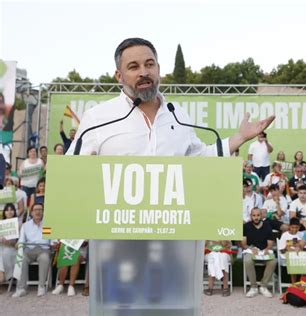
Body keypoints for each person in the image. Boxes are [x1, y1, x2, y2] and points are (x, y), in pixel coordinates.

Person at [66, 37, 275, 306]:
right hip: (117, 247)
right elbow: (73, 172)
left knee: (170, 308)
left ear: (159, 69)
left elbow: (201, 158)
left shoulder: (178, 115)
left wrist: (237, 139)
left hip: (173, 245)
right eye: (133, 66)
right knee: (122, 310)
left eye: (149, 64)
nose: (143, 72)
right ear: (119, 75)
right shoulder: (98, 117)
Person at [13, 203, 51, 297]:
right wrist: (18, 244)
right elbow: (21, 241)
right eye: (36, 210)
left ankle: (41, 286)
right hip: (29, 249)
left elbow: (52, 240)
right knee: (21, 258)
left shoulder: (47, 224)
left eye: (40, 210)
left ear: (43, 212)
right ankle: (21, 288)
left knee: (44, 258)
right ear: (31, 212)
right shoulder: (26, 225)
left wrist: (54, 245)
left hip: (43, 249)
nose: (38, 212)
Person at [242, 208, 276, 298]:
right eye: (254, 215)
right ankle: (253, 287)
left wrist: (267, 249)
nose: (256, 217)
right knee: (248, 260)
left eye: (258, 215)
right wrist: (251, 248)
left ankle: (263, 286)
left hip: (264, 250)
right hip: (251, 250)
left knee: (272, 261)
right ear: (251, 216)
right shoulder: (246, 226)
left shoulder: (267, 226)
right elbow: (243, 244)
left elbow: (270, 244)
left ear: (261, 215)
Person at [278, 217, 304, 284]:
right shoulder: (285, 235)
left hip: (299, 255)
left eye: (296, 227)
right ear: (289, 226)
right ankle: (294, 284)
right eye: (292, 227)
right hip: (286, 257)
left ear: (299, 227)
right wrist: (286, 248)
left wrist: (299, 245)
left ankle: (302, 282)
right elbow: (281, 251)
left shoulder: (301, 234)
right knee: (293, 260)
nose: (294, 229)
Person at [0, 203, 19, 283]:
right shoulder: (0, 223)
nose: (9, 212)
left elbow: (18, 242)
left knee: (4, 254)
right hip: (2, 246)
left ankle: (4, 277)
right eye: (7, 210)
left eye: (11, 210)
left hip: (12, 248)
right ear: (4, 212)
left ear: (14, 211)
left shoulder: (18, 224)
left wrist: (11, 242)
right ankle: (3, 277)